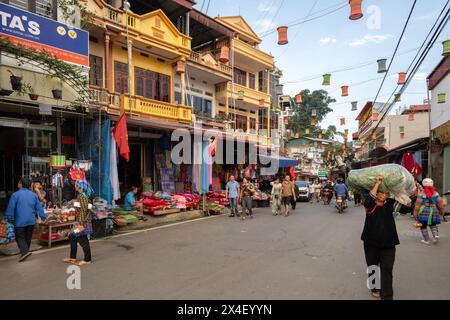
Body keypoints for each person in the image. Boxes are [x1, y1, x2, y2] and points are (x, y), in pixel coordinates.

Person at [362, 176, 399, 300]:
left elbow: (406, 207)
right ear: (376, 193)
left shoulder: (391, 204)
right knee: (372, 266)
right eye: (381, 192)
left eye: (386, 192)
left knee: (387, 269)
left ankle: (387, 296)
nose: (384, 195)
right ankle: (374, 288)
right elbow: (368, 200)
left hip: (389, 242)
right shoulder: (370, 205)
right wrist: (378, 183)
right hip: (370, 241)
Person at [4, 178, 46, 262]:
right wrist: (43, 217)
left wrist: (7, 218)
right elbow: (39, 207)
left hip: (20, 221)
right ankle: (25, 251)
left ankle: (24, 252)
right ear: (30, 185)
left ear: (21, 184)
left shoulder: (15, 195)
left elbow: (10, 208)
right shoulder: (33, 195)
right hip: (31, 221)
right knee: (28, 237)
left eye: (19, 183)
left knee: (19, 237)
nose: (18, 184)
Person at [64, 179, 93, 266]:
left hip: (82, 222)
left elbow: (83, 211)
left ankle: (87, 259)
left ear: (80, 186)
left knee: (82, 240)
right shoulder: (82, 196)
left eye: (76, 185)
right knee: (72, 236)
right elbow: (82, 208)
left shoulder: (82, 196)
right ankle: (72, 258)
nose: (75, 186)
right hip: (80, 221)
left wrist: (80, 224)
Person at [413, 178, 445, 245]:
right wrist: (442, 211)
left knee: (423, 225)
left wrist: (415, 213)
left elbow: (417, 205)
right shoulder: (436, 194)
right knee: (433, 224)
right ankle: (435, 235)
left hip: (424, 211)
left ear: (423, 185)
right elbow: (440, 203)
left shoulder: (421, 194)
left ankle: (427, 240)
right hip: (434, 210)